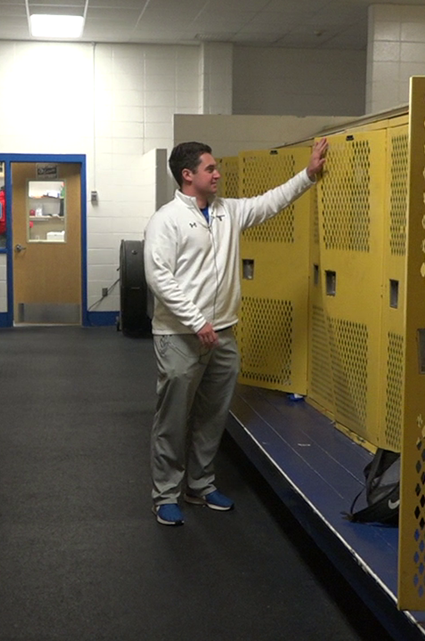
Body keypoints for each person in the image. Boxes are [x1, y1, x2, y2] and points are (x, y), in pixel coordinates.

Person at [143, 138, 328, 526]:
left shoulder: (228, 212)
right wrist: (197, 322)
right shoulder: (166, 220)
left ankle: (200, 484)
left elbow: (270, 201)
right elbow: (159, 277)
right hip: (180, 336)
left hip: (222, 335)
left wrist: (308, 175)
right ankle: (165, 494)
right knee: (174, 418)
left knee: (212, 415)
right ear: (187, 175)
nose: (218, 173)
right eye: (210, 168)